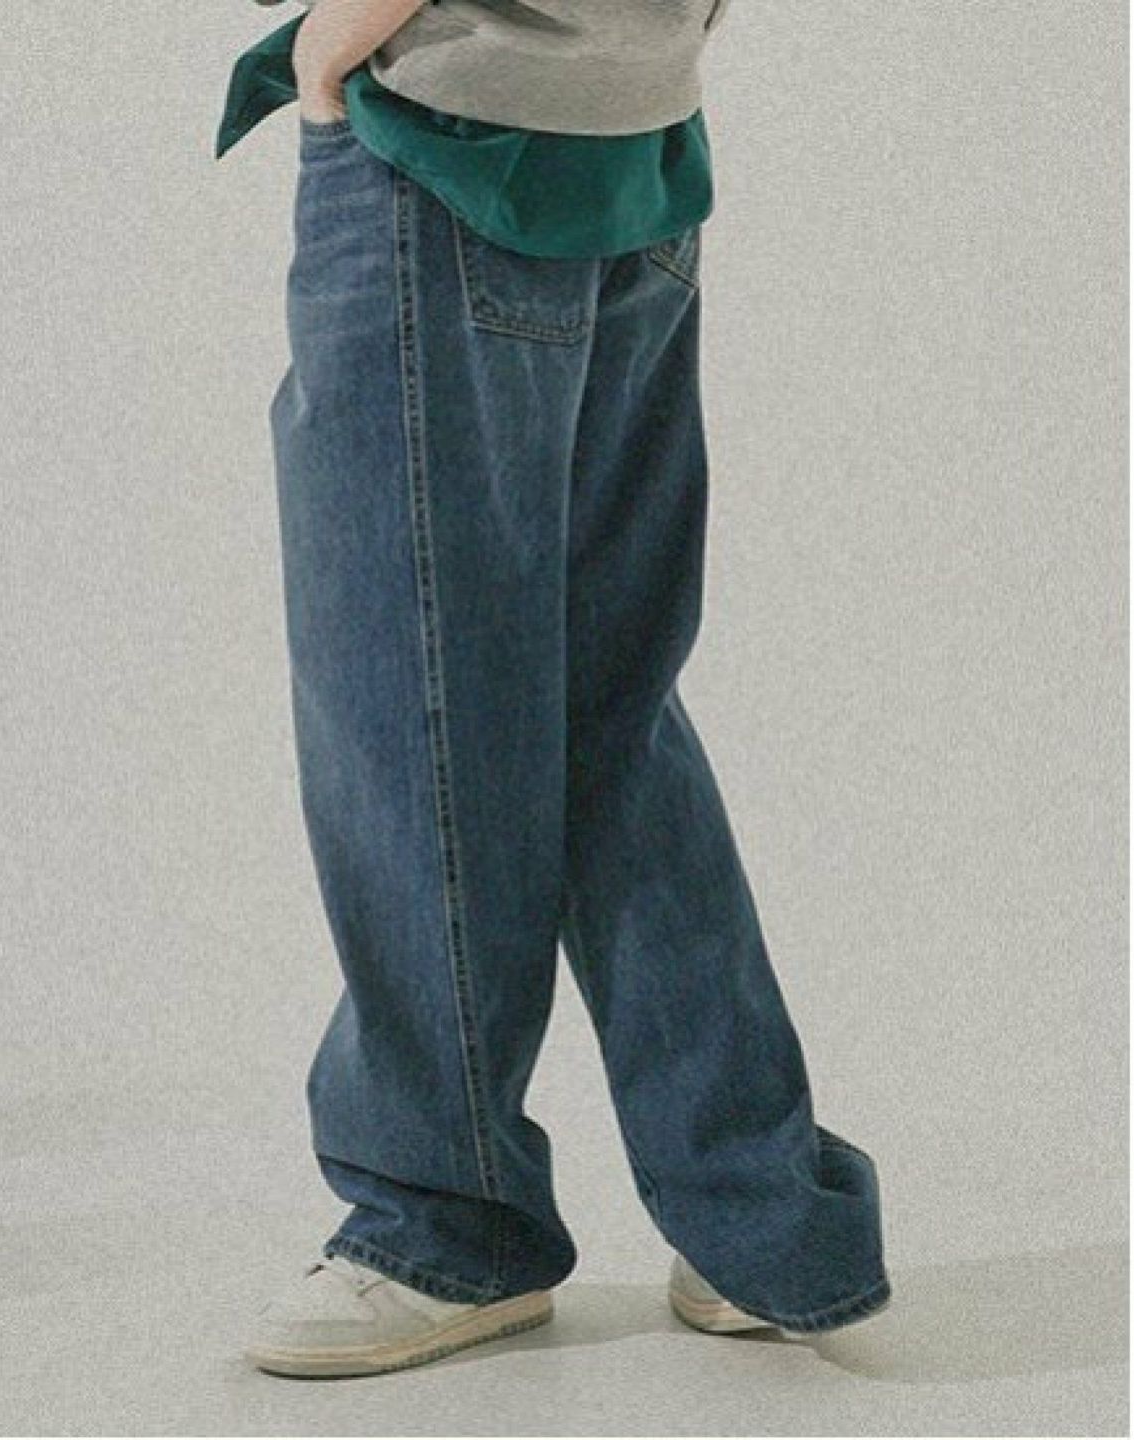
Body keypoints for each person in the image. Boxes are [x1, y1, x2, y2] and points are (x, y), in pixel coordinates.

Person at [216, 0, 892, 1380]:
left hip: (451, 142)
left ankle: (444, 1222)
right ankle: (763, 1226)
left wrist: (335, 45)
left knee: (416, 707)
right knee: (607, 718)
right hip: (632, 138)